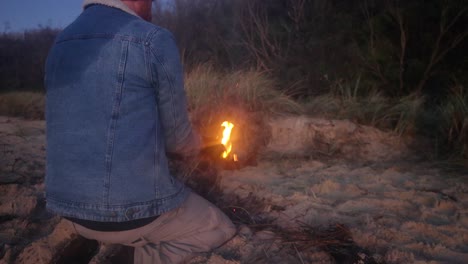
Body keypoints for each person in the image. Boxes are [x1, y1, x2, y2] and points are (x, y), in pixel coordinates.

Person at [44, 0, 236, 263]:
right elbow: (179, 142)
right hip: (128, 215)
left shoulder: (60, 43)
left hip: (67, 210)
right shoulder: (152, 39)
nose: (152, 5)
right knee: (218, 227)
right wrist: (204, 144)